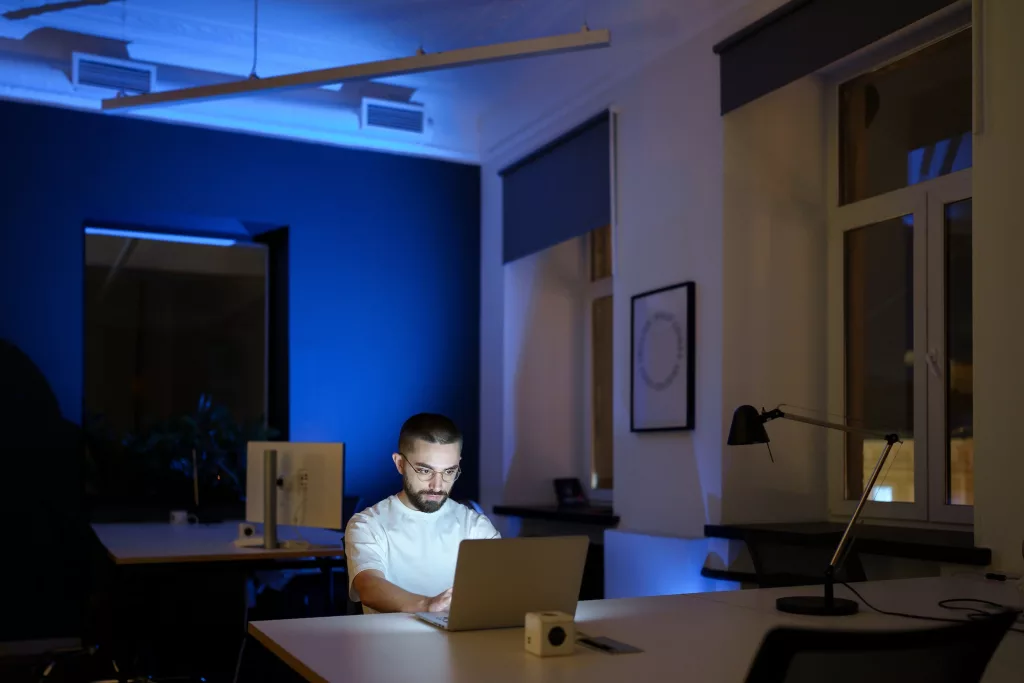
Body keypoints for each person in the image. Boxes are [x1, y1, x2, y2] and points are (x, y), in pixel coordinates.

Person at [345, 413, 500, 614]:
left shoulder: (475, 526)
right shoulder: (367, 524)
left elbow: (504, 583)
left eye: (449, 471)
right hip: (391, 635)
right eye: (425, 471)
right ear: (400, 464)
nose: (437, 485)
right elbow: (368, 585)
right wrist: (427, 606)